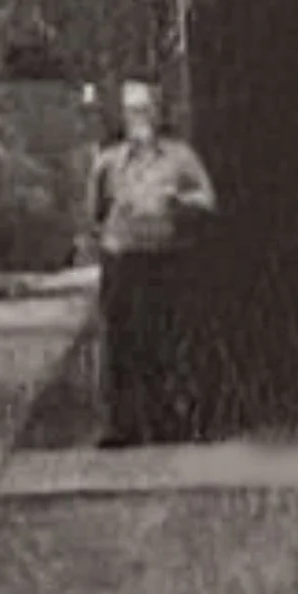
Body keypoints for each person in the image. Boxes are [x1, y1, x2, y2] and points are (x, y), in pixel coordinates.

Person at [86, 79, 216, 450]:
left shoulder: (180, 158)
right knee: (119, 342)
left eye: (145, 109)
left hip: (164, 258)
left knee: (163, 339)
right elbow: (94, 212)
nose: (138, 117)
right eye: (131, 110)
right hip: (122, 258)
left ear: (158, 113)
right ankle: (120, 426)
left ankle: (166, 422)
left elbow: (208, 200)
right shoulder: (109, 161)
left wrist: (181, 202)